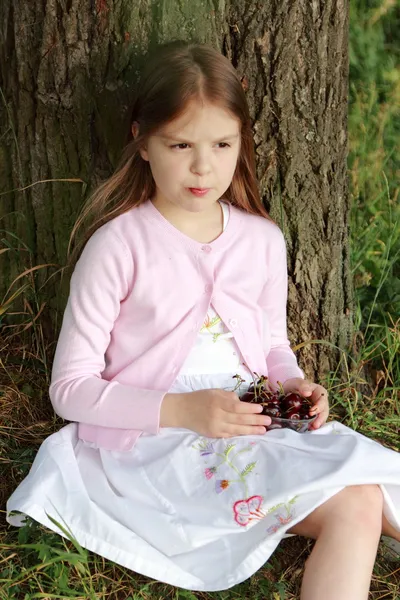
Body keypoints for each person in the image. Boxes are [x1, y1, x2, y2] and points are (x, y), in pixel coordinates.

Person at [7, 41, 400, 599]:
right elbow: (69, 389)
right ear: (142, 142)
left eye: (222, 143)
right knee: (361, 498)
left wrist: (292, 385)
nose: (202, 165)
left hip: (250, 420)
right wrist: (183, 411)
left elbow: (270, 345)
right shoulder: (118, 246)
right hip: (158, 438)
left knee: (363, 491)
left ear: (242, 142)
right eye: (180, 144)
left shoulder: (262, 240)